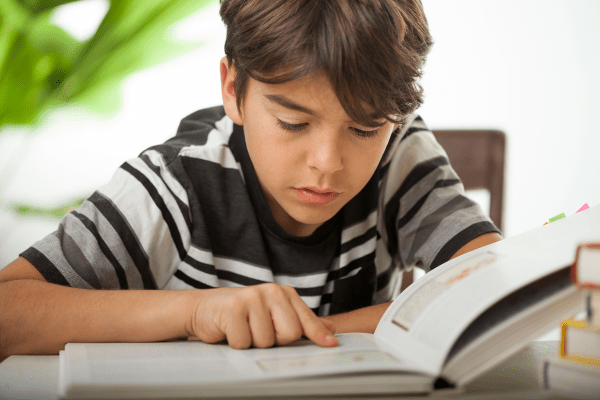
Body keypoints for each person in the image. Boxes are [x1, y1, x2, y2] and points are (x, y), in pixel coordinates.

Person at [0, 0, 502, 361]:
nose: (327, 162)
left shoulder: (401, 151)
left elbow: (494, 284)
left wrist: (308, 332)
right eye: (293, 123)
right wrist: (198, 313)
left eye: (365, 128)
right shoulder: (176, 184)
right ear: (233, 88)